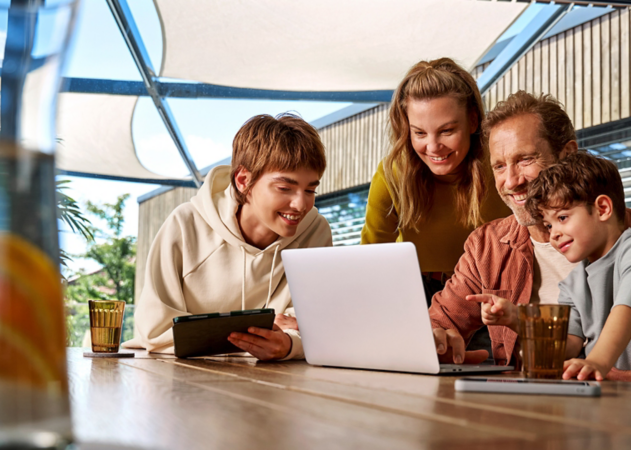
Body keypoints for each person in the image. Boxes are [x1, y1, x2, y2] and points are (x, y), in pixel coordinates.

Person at [429, 91, 631, 390]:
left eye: (525, 159)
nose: (511, 181)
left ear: (566, 155)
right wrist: (506, 319)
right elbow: (563, 336)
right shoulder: (489, 247)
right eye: (499, 165)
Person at [124, 113, 332, 361]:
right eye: (285, 188)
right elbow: (156, 330)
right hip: (175, 377)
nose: (301, 204)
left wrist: (288, 345)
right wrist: (253, 339)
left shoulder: (316, 231)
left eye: (310, 189)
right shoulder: (185, 225)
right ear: (244, 181)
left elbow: (319, 327)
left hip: (275, 382)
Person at [485, 151, 631, 382]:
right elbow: (567, 345)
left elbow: (627, 309)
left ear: (602, 209)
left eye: (562, 218)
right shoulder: (574, 282)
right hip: (608, 397)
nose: (554, 234)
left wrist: (596, 363)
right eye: (548, 225)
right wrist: (517, 319)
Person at [360, 58, 510, 304]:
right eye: (419, 132)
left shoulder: (500, 165)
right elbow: (370, 259)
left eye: (447, 131)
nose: (433, 147)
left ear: (473, 121)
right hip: (416, 290)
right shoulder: (393, 173)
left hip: (491, 288)